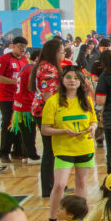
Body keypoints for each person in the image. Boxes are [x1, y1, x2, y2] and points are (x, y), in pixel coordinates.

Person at [41, 65, 98, 221]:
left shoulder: (86, 100)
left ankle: (79, 219)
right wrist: (64, 131)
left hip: (84, 147)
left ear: (81, 82)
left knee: (81, 183)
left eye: (76, 78)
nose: (72, 80)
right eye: (68, 77)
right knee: (59, 185)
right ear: (62, 80)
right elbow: (45, 129)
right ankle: (53, 219)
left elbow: (93, 121)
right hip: (63, 149)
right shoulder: (53, 102)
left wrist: (93, 128)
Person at [31, 38, 65, 196]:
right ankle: (48, 187)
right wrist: (56, 116)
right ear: (54, 52)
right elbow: (47, 96)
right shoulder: (48, 69)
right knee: (50, 150)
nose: (63, 53)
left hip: (44, 111)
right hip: (45, 112)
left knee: (53, 150)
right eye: (62, 51)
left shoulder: (47, 66)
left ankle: (55, 184)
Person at [0, 36, 29, 164]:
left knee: (20, 124)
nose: (22, 49)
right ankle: (3, 152)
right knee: (8, 124)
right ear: (13, 46)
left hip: (20, 98)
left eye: (24, 47)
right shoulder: (4, 59)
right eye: (20, 47)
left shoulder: (24, 60)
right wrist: (15, 81)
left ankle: (17, 151)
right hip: (6, 97)